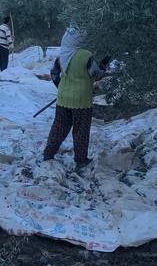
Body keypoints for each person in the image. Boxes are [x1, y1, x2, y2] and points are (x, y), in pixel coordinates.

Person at [43, 26, 109, 169]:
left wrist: (62, 87)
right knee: (81, 130)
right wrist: (104, 65)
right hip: (81, 100)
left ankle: (48, 154)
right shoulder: (86, 55)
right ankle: (81, 159)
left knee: (59, 128)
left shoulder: (63, 54)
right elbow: (96, 74)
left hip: (63, 98)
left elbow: (54, 74)